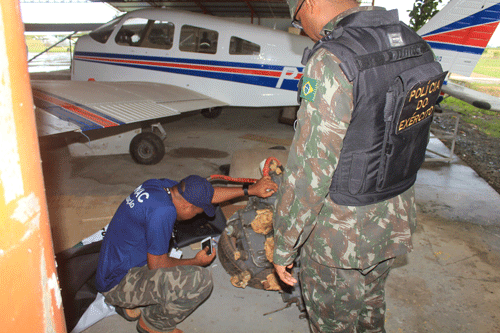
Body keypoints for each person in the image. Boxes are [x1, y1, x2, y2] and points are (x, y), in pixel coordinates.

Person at [273, 0, 444, 332]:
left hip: (340, 234)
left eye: (297, 21)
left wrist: (285, 243)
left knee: (334, 321)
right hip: (392, 216)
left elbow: (311, 170)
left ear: (308, 5)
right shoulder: (413, 42)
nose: (302, 30)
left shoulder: (333, 58)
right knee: (369, 307)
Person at [96, 174, 277, 333]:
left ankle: (128, 302)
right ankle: (153, 325)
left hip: (113, 265)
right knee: (200, 281)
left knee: (165, 256)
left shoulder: (162, 187)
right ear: (188, 206)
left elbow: (208, 194)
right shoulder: (163, 213)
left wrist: (251, 190)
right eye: (198, 212)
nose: (198, 215)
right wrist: (195, 261)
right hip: (117, 283)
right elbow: (157, 265)